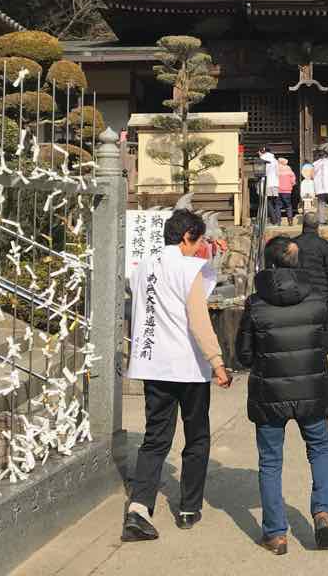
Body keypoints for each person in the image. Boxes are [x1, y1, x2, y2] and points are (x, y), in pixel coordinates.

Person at [123, 209, 233, 541]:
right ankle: (188, 507)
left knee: (155, 437)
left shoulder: (144, 267)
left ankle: (139, 508)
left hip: (153, 365)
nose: (199, 248)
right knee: (196, 436)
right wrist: (217, 362)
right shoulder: (188, 268)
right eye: (197, 242)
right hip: (188, 366)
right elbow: (199, 320)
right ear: (187, 237)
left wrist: (211, 255)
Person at [236, 235, 328, 555]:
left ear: (269, 263)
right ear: (298, 262)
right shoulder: (318, 300)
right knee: (319, 449)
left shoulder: (255, 304)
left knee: (270, 461)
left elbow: (243, 355)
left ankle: (276, 534)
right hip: (312, 390)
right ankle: (323, 511)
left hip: (269, 392)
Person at [294, 211, 328, 300]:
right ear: (317, 226)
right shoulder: (325, 245)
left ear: (303, 225)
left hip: (297, 292)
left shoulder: (293, 244)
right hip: (320, 293)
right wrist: (327, 292)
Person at [258, 148, 280, 225]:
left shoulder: (262, 159)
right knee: (275, 202)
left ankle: (273, 220)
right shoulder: (275, 160)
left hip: (267, 182)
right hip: (275, 182)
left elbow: (262, 171)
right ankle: (278, 220)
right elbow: (277, 172)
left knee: (267, 202)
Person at [277, 157, 297, 225]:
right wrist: (292, 184)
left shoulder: (277, 169)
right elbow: (293, 179)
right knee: (288, 205)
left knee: (278, 205)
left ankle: (278, 221)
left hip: (278, 190)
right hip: (287, 190)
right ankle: (290, 221)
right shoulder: (288, 169)